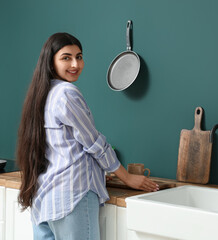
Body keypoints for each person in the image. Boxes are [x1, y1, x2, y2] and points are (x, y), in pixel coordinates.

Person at [16, 32, 159, 240]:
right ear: (51, 61)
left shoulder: (41, 94)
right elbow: (94, 143)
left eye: (79, 56)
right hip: (71, 196)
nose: (75, 64)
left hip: (44, 197)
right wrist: (127, 177)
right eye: (66, 57)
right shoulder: (67, 93)